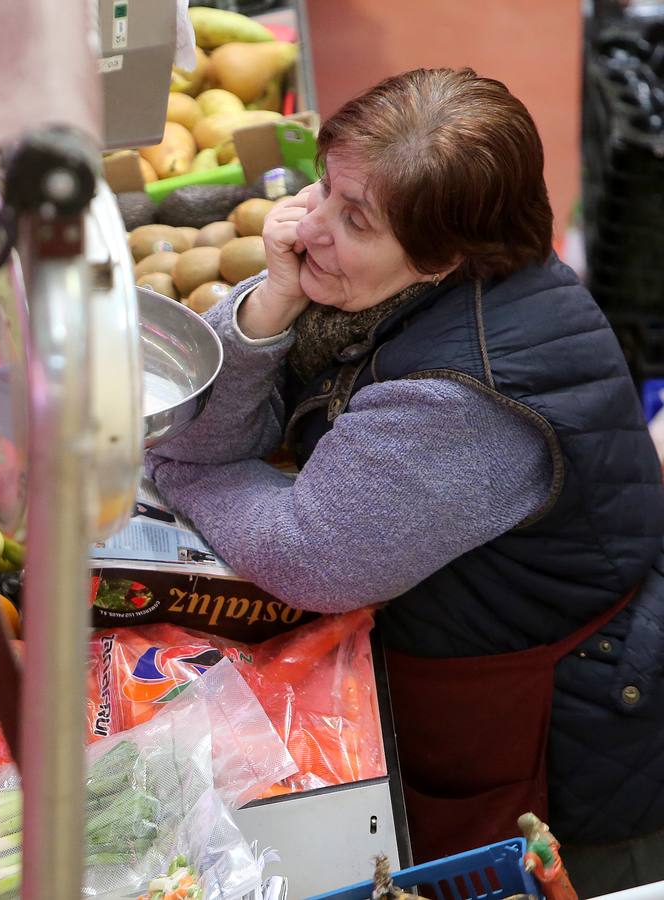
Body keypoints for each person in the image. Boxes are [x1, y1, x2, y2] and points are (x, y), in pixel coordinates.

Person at [146, 67, 664, 893]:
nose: (309, 225)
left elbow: (308, 555)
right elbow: (210, 417)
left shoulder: (463, 399)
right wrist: (270, 302)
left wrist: (179, 468)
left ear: (442, 256)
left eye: (354, 219)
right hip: (485, 672)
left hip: (567, 741)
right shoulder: (392, 288)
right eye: (323, 187)